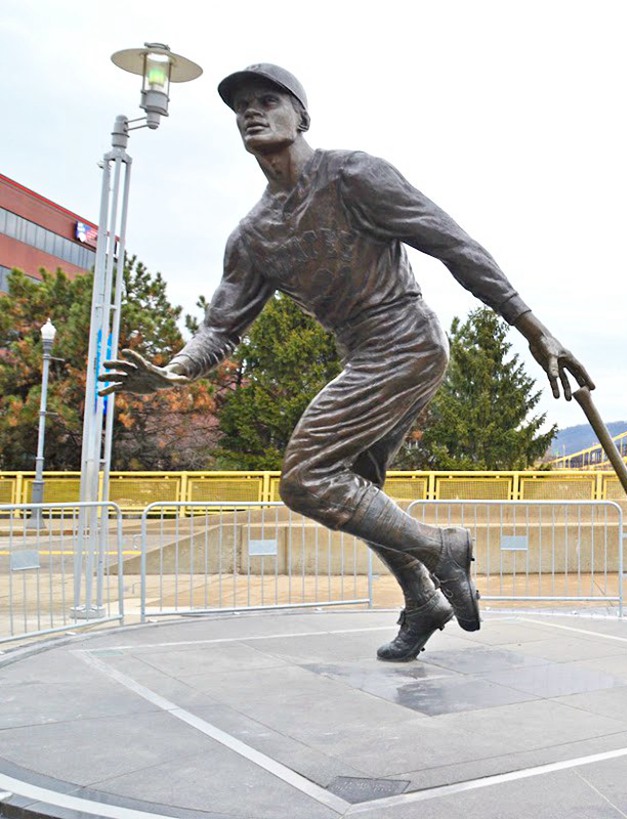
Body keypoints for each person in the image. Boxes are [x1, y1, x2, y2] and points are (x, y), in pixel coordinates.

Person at [100, 63, 594, 662]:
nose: (251, 111)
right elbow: (219, 328)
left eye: (267, 100)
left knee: (305, 478)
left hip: (405, 339)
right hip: (362, 353)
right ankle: (422, 599)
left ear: (301, 116)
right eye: (240, 107)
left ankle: (443, 547)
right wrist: (175, 371)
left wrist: (533, 328)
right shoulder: (253, 236)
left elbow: (452, 243)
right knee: (354, 489)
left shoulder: (354, 176)